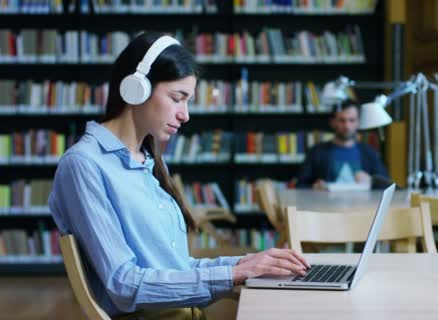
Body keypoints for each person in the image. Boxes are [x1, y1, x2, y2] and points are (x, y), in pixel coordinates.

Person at [48, 32, 309, 320]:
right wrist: (233, 274)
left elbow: (174, 268)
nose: (185, 115)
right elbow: (124, 284)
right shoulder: (84, 165)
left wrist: (247, 263)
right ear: (137, 88)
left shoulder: (149, 160)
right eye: (177, 98)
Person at [296, 100, 390, 189]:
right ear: (333, 122)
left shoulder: (369, 153)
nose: (347, 126)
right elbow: (300, 185)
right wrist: (313, 187)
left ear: (358, 122)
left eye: (351, 120)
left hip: (362, 206)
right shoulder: (317, 152)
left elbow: (387, 185)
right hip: (327, 205)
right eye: (342, 120)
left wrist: (371, 181)